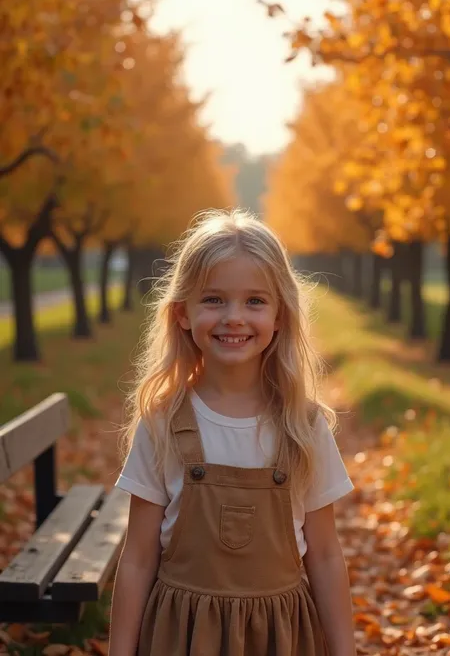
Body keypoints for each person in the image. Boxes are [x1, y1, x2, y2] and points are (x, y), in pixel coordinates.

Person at [110, 209, 356, 656]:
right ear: (182, 313)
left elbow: (323, 554)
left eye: (255, 301)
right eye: (214, 299)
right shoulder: (163, 422)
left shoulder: (304, 426)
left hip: (281, 636)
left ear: (281, 315)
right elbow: (139, 557)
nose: (234, 317)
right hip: (181, 635)